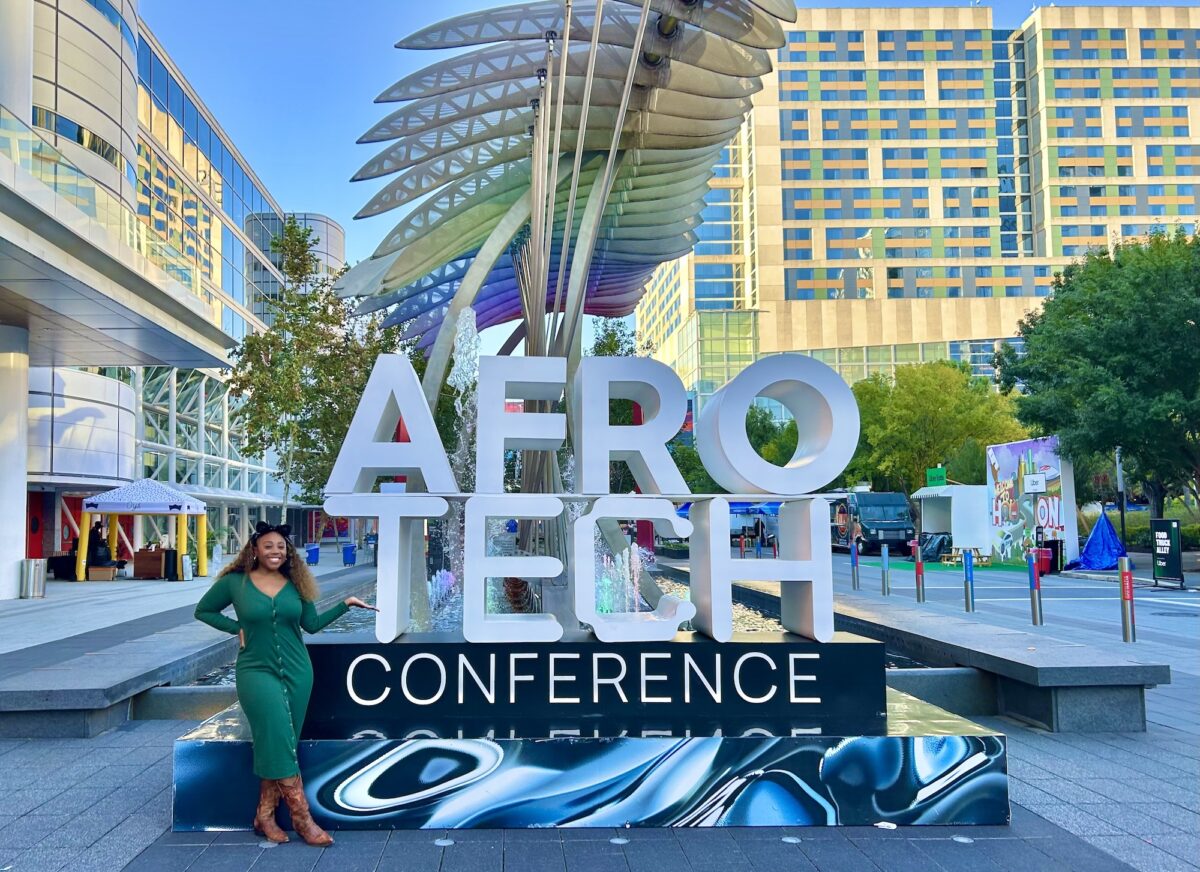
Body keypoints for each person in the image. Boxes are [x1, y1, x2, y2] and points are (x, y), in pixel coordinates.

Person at [194, 521, 374, 846]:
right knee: (277, 731)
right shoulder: (236, 583)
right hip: (255, 670)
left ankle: (264, 814)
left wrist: (345, 604)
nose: (275, 551)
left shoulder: (296, 583)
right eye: (268, 546)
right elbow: (203, 610)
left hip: (298, 671)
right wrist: (236, 627)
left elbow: (312, 625)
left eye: (281, 546)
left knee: (281, 741)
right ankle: (302, 817)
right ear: (255, 550)